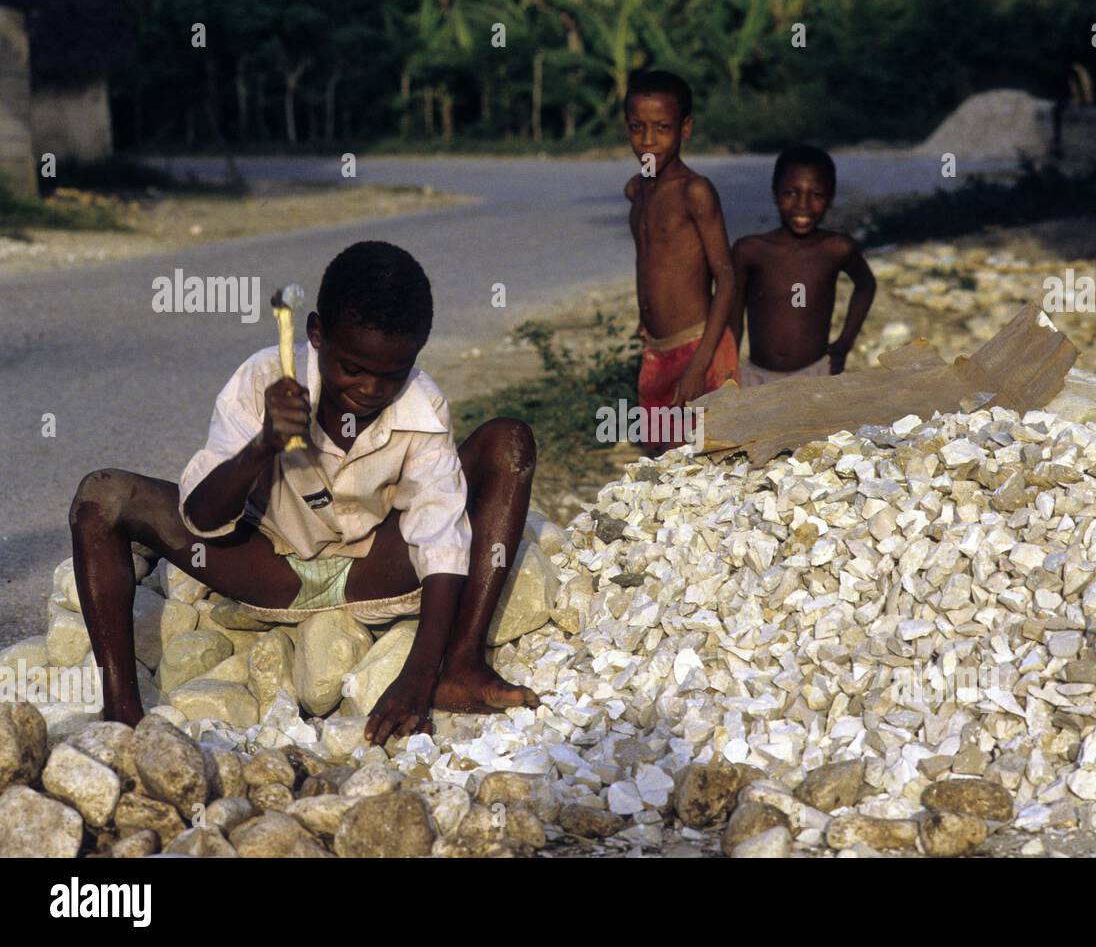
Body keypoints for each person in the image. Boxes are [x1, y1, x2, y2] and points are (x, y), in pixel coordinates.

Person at [68, 241, 539, 747]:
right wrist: (262, 446)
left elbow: (439, 534)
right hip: (266, 571)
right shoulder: (262, 378)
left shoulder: (422, 405)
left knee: (508, 440)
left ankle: (461, 664)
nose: (371, 389)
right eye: (353, 368)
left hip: (373, 572)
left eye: (392, 374)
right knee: (104, 494)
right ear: (316, 334)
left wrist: (417, 676)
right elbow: (202, 517)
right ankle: (122, 715)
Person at [624, 70, 738, 452]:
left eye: (662, 127)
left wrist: (699, 366)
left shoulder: (695, 191)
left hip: (699, 347)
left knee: (712, 459)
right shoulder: (637, 189)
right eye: (637, 127)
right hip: (657, 349)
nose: (648, 141)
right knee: (661, 455)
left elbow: (726, 278)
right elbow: (653, 260)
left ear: (685, 128)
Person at [731, 145, 876, 386]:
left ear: (830, 198)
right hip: (756, 377)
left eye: (816, 195)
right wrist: (729, 364)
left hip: (816, 374)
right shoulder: (751, 250)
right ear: (775, 193)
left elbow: (866, 285)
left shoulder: (836, 248)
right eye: (790, 193)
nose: (803, 205)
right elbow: (733, 316)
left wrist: (844, 343)